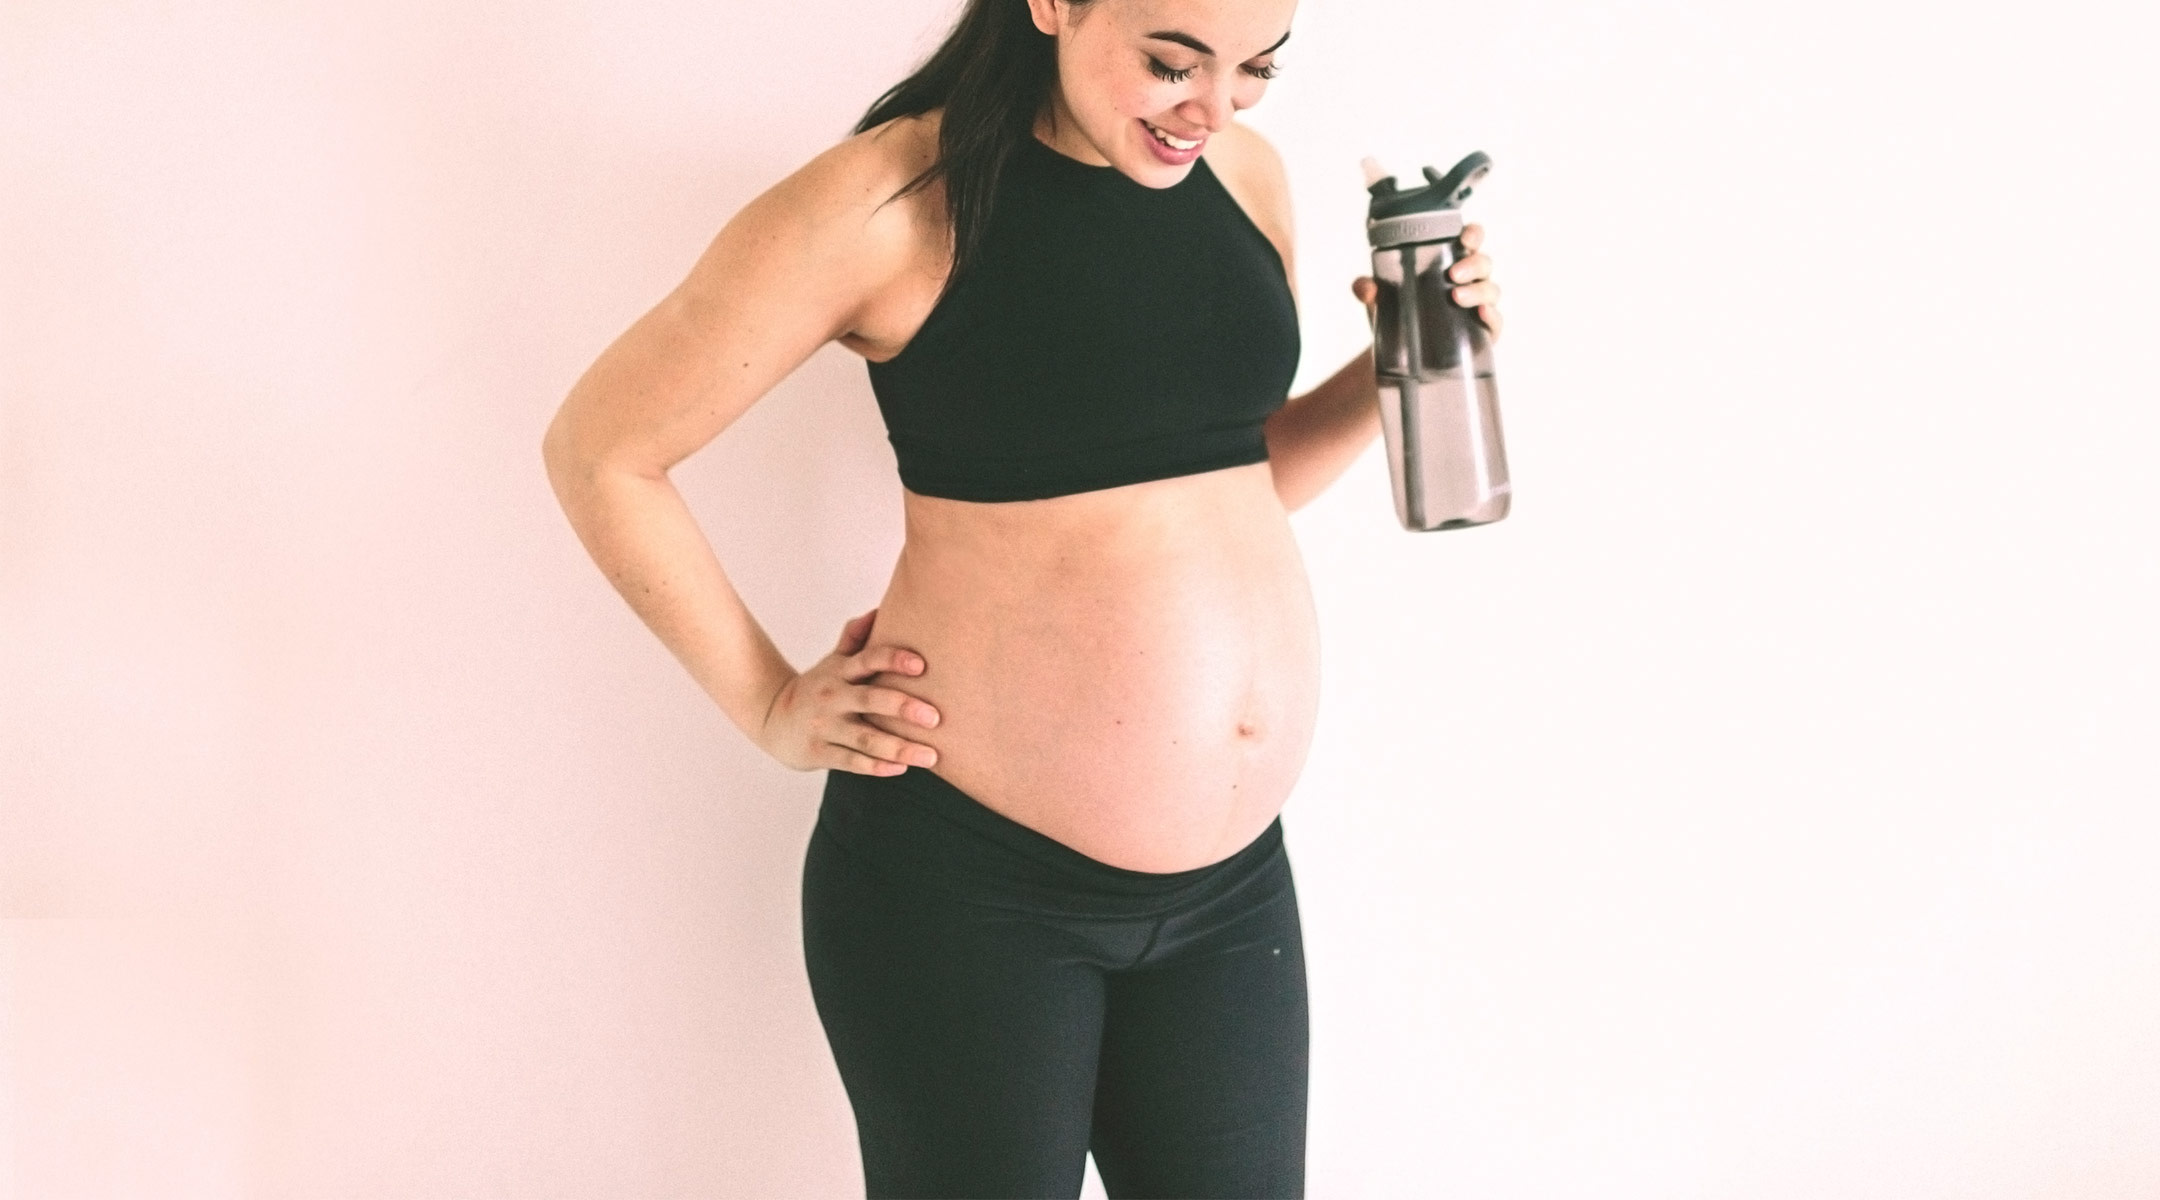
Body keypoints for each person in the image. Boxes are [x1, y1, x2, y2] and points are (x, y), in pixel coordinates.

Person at [542, 0, 1502, 1194]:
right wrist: (772, 701)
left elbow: (1223, 480)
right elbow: (605, 448)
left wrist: (1399, 362)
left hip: (1232, 893)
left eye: (1255, 68)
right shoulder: (890, 202)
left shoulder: (1243, 176)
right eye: (1170, 61)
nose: (1212, 107)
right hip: (974, 896)